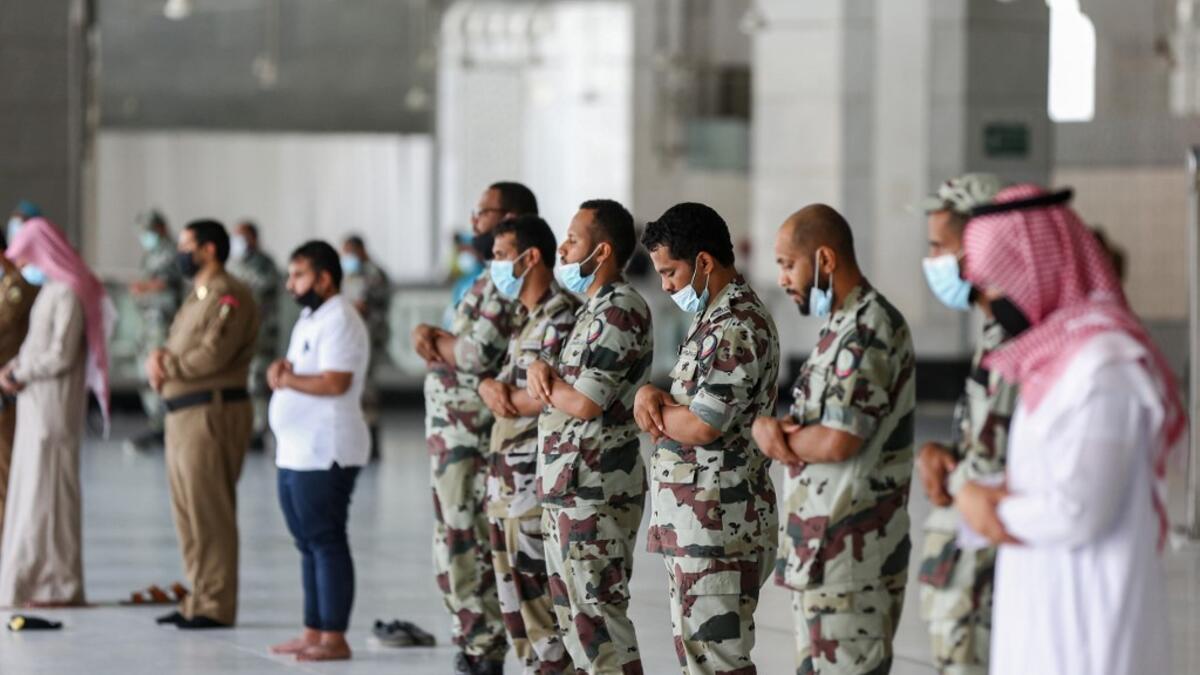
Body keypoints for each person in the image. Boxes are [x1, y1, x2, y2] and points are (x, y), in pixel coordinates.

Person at [954, 185, 1182, 675]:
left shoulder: (1105, 368)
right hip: (1045, 610)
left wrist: (986, 510)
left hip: (1089, 631)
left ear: (1037, 269)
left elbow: (1080, 510)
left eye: (995, 283)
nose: (990, 301)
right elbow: (1052, 479)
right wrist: (985, 496)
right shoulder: (1055, 365)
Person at [752, 204, 916, 674]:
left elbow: (840, 440)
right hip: (822, 550)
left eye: (787, 264)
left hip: (853, 556)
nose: (782, 278)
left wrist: (772, 436)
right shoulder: (838, 329)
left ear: (824, 260)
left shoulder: (869, 327)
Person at [633, 203, 780, 674]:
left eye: (671, 272)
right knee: (700, 656)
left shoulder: (735, 326)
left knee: (718, 660)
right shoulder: (712, 319)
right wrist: (659, 402)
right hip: (697, 519)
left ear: (703, 262)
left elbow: (702, 425)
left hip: (719, 523)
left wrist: (653, 409)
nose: (667, 285)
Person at [409, 181, 539, 675]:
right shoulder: (487, 277)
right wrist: (438, 339)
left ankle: (483, 647)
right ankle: (470, 638)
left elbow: (475, 353)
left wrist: (432, 339)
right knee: (452, 541)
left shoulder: (511, 278)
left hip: (473, 435)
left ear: (509, 218)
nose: (473, 223)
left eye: (481, 213)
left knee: (468, 541)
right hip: (451, 435)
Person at [526, 199, 653, 674]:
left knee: (599, 617)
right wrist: (545, 372)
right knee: (577, 620)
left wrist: (543, 377)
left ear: (600, 252)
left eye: (573, 239)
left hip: (596, 490)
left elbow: (585, 401)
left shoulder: (620, 309)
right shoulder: (592, 308)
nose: (563, 248)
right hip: (571, 486)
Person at [914, 174, 1015, 674]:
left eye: (940, 247)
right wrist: (946, 457)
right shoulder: (995, 333)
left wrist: (956, 476)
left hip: (991, 585)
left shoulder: (1021, 341)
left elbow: (1003, 470)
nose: (932, 262)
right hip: (966, 580)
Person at [476, 216, 578, 674]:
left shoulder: (562, 315)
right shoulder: (526, 318)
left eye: (500, 256)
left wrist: (500, 395)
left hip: (532, 482)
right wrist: (488, 389)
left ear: (530, 256)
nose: (495, 266)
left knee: (540, 606)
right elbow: (501, 388)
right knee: (515, 607)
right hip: (504, 483)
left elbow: (545, 394)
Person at [145, 219, 259, 629]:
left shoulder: (229, 294)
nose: (180, 253)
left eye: (186, 245)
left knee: (210, 512)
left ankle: (215, 603)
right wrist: (160, 358)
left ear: (209, 249)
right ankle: (197, 596)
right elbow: (178, 347)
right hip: (182, 414)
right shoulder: (198, 295)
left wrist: (167, 364)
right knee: (187, 514)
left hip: (211, 412)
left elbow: (213, 354)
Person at [0, 214, 113, 607]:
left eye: (27, 258)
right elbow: (36, 347)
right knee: (33, 495)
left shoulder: (67, 293)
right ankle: (34, 583)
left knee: (51, 500)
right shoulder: (51, 291)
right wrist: (16, 367)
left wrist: (23, 370)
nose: (24, 268)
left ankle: (59, 584)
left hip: (52, 409)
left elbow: (61, 354)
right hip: (35, 403)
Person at [267, 240, 369, 662]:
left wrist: (287, 382)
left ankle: (334, 636)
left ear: (325, 278)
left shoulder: (341, 318)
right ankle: (313, 629)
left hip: (326, 448)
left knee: (326, 539)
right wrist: (281, 372)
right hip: (295, 450)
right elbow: (300, 372)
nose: (291, 284)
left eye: (299, 274)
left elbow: (335, 382)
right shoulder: (310, 319)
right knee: (306, 542)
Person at [127, 210, 184, 453]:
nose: (145, 236)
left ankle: (164, 427)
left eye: (148, 230)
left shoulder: (170, 252)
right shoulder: (153, 253)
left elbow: (167, 281)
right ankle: (157, 425)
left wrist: (144, 286)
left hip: (163, 323)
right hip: (150, 323)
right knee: (147, 374)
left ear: (160, 227)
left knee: (159, 372)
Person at [228, 220, 281, 451]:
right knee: (246, 381)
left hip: (262, 333)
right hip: (241, 332)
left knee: (259, 382)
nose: (237, 242)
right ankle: (250, 428)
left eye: (242, 236)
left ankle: (261, 430)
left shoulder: (264, 264)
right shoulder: (235, 264)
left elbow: (261, 290)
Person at [0, 229, 38, 551]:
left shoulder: (16, 286)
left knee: (4, 471)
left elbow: (5, 326)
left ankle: (7, 541)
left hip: (7, 392)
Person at [340, 234, 390, 453]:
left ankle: (372, 439)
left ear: (361, 250)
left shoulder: (374, 274)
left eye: (350, 252)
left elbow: (368, 305)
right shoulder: (346, 275)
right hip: (351, 339)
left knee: (368, 389)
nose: (347, 257)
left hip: (371, 338)